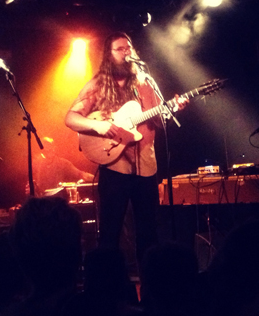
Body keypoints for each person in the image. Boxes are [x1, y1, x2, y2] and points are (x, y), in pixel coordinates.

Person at [64, 32, 186, 268]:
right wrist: (98, 125)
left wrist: (174, 109)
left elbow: (160, 122)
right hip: (114, 166)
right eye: (120, 49)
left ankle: (151, 288)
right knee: (110, 232)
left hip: (146, 167)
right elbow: (71, 118)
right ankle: (108, 292)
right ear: (108, 55)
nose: (126, 52)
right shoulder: (98, 85)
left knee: (149, 234)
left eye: (128, 48)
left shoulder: (146, 83)